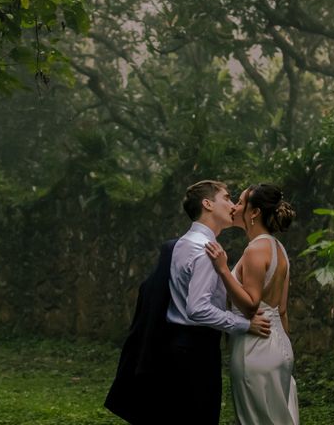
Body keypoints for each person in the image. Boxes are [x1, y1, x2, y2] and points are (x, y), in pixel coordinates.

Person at [105, 180, 271, 425]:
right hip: (196, 351)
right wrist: (244, 324)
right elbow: (198, 308)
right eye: (226, 198)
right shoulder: (206, 251)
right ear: (207, 204)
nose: (232, 204)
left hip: (176, 347)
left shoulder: (181, 244)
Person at [205, 183, 299, 425]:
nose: (234, 207)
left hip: (256, 348)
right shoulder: (279, 248)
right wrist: (285, 351)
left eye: (240, 202)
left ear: (254, 212)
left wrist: (223, 269)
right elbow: (282, 310)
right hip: (280, 346)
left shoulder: (255, 249)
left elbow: (250, 305)